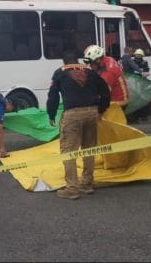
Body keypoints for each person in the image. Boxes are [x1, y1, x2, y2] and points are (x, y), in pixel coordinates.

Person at [47, 52, 110, 200]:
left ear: (64, 62)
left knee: (69, 151)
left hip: (72, 114)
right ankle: (87, 184)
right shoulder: (90, 72)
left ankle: (72, 188)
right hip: (92, 113)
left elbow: (53, 96)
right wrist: (100, 110)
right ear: (78, 60)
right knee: (89, 148)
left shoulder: (60, 73)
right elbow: (105, 92)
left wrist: (51, 114)